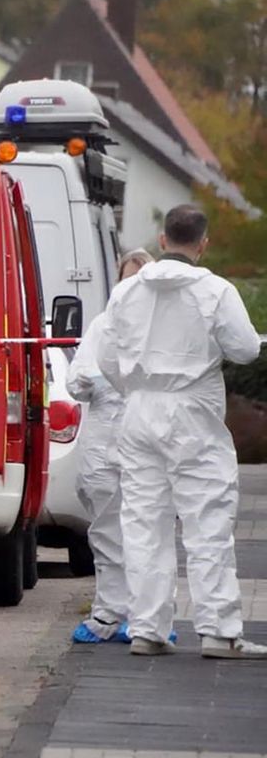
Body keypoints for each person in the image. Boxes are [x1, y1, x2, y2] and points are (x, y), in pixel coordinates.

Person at [99, 205, 266, 658]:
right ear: (203, 243)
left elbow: (107, 358)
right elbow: (247, 350)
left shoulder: (127, 292)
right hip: (192, 411)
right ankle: (218, 630)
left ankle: (148, 629)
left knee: (144, 522)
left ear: (161, 240)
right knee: (207, 519)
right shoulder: (215, 291)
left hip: (139, 411)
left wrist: (135, 388)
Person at [67, 249, 154, 644]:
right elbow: (76, 379)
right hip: (104, 445)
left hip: (146, 444)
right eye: (127, 279)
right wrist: (100, 381)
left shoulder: (162, 329)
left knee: (146, 535)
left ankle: (145, 618)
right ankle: (107, 614)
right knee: (105, 534)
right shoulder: (104, 325)